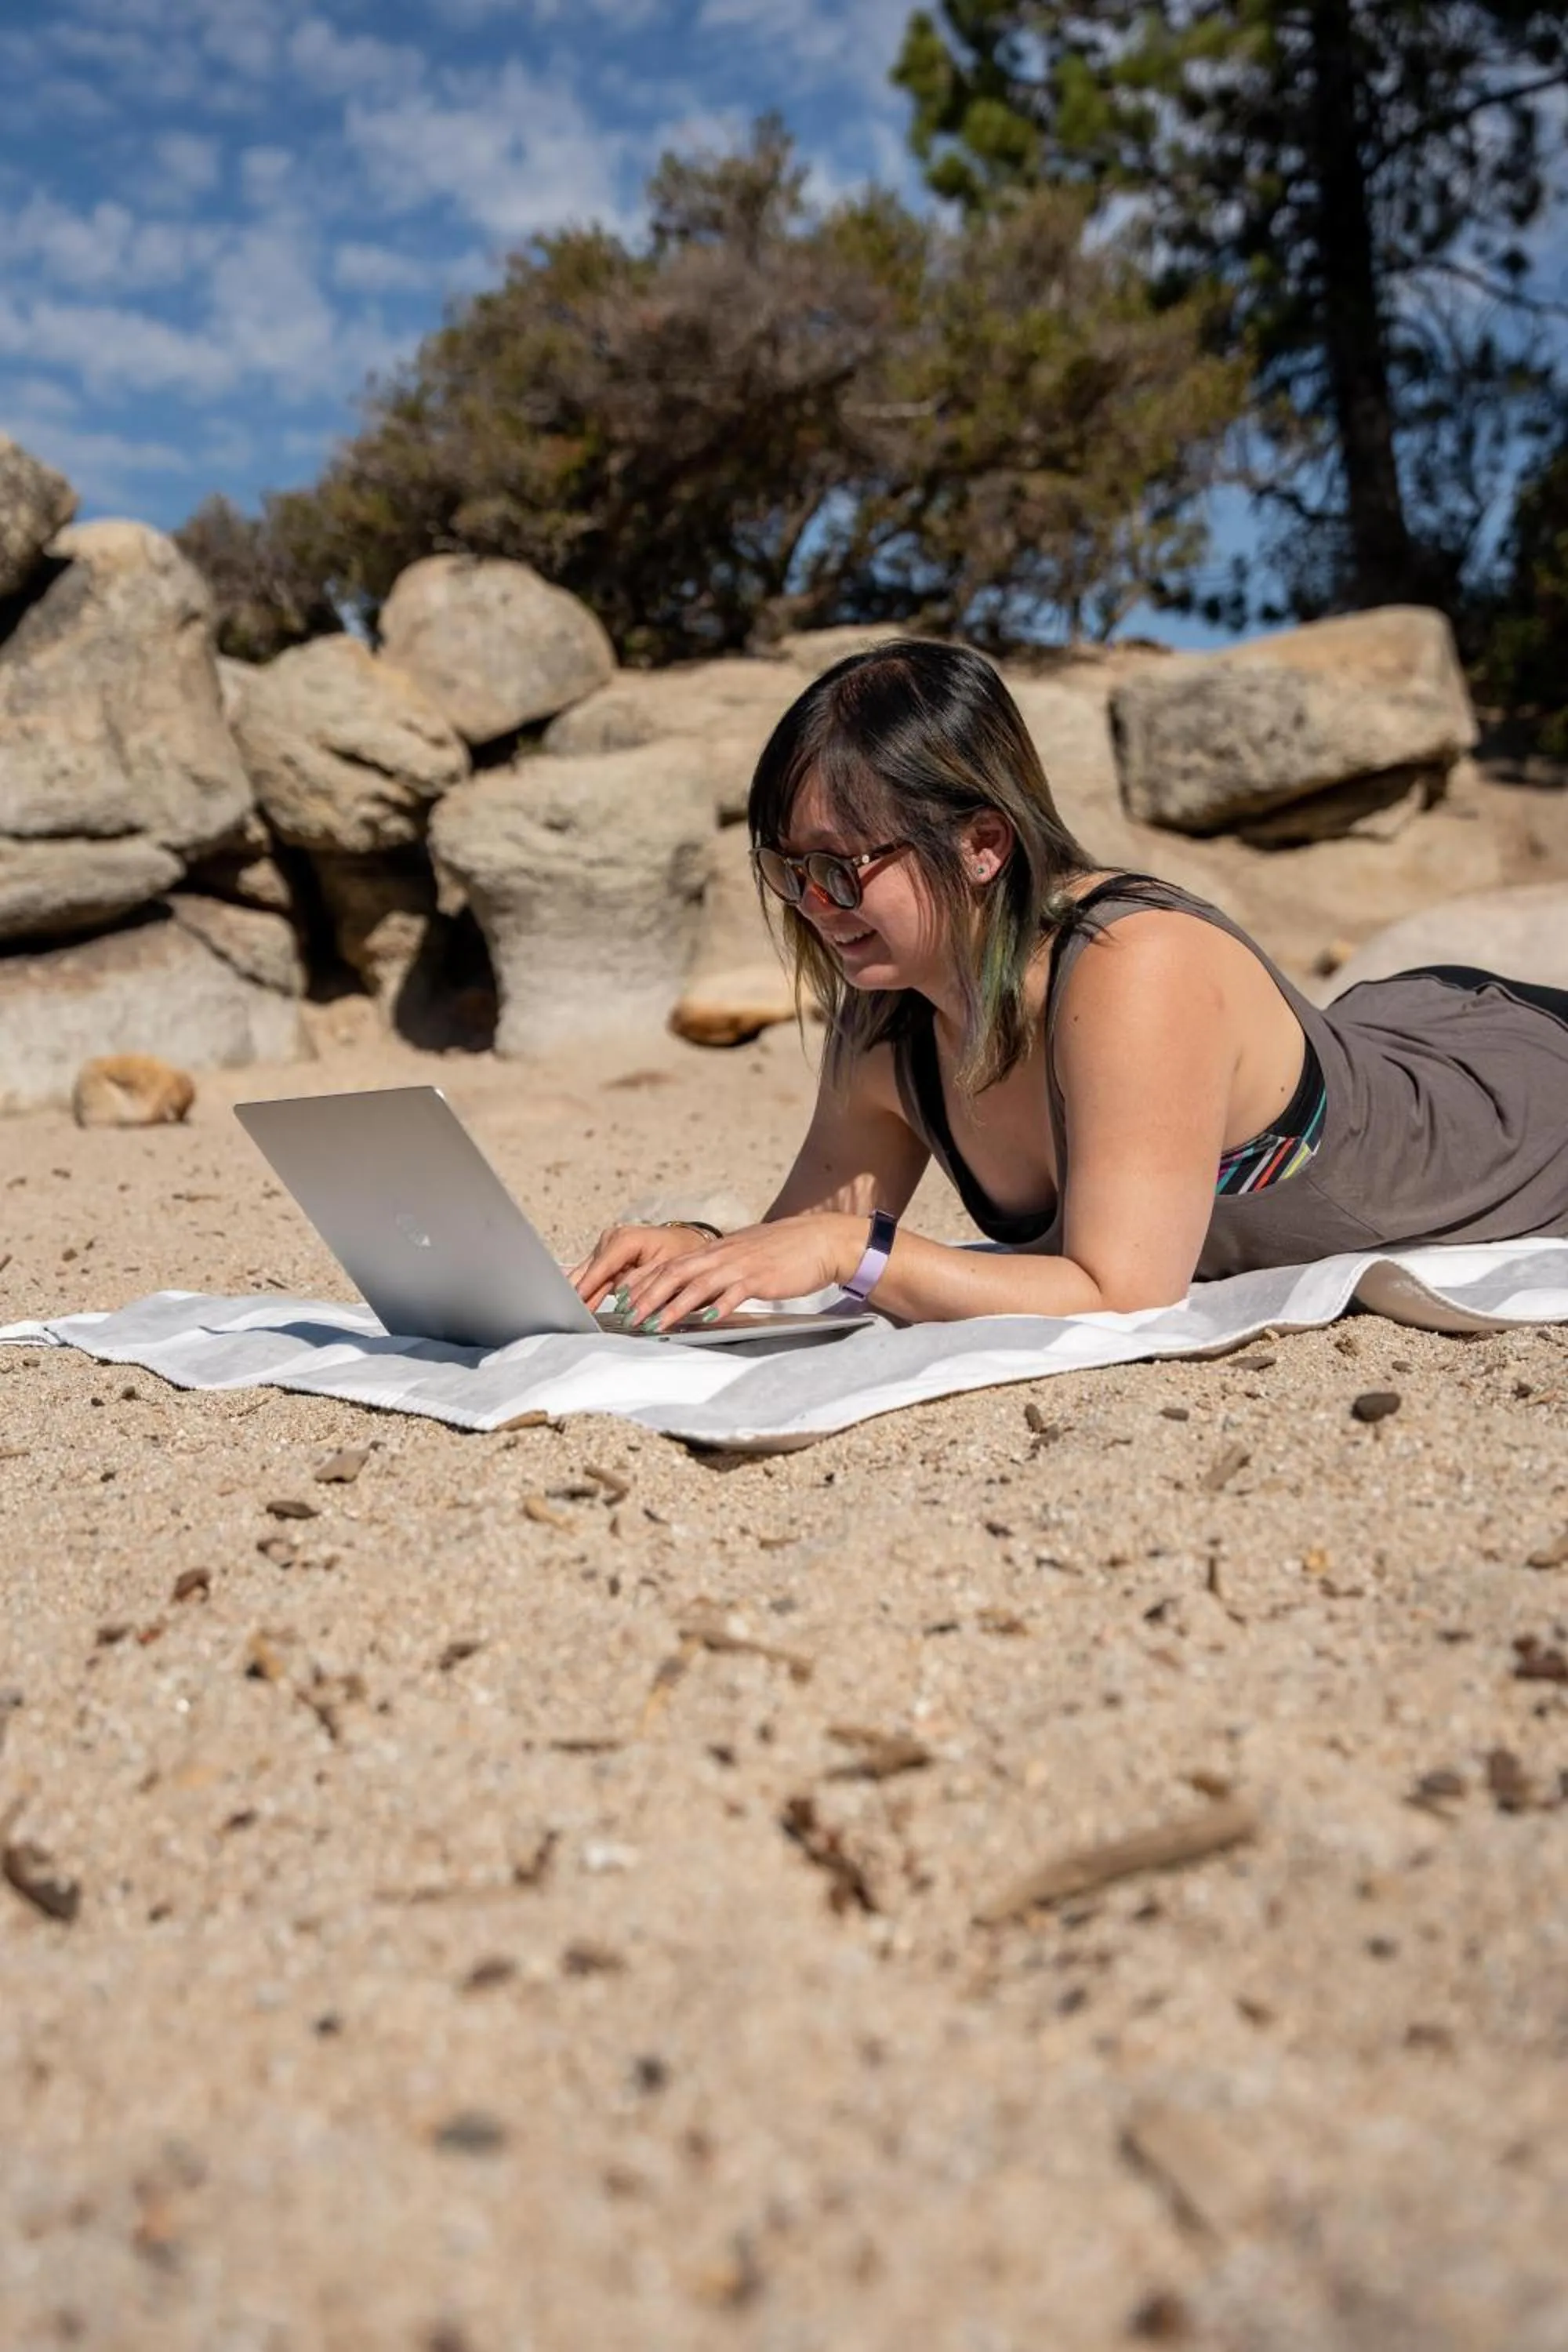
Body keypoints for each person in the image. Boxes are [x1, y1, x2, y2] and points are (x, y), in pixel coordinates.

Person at [572, 640, 1568, 1331]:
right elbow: (796, 1244)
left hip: (1516, 1103)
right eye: (789, 870)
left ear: (981, 845)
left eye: (842, 867)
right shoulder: (888, 1016)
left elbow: (1121, 1289)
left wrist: (862, 1253)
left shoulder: (1135, 965)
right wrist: (694, 1248)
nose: (814, 903)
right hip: (1386, 1038)